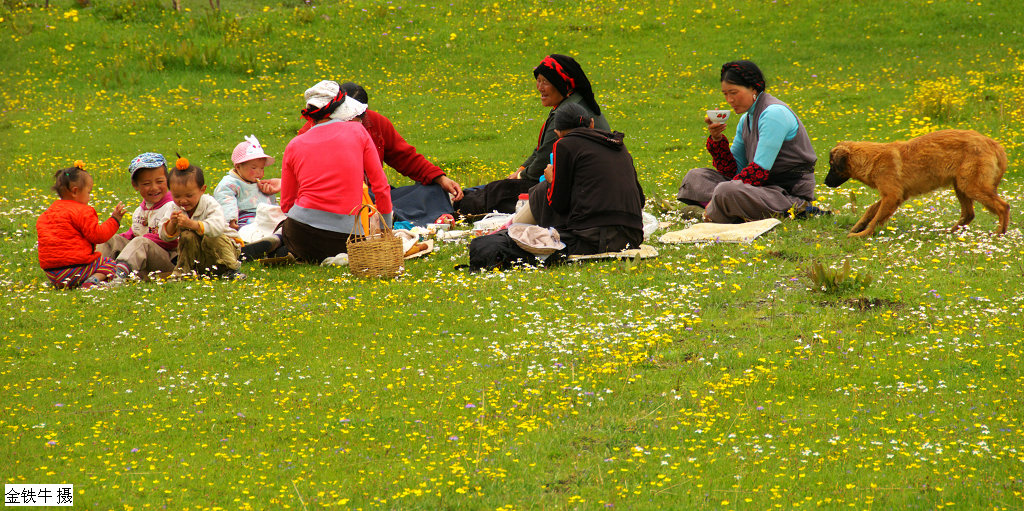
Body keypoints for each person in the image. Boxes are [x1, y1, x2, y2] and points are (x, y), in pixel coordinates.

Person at [469, 104, 644, 269]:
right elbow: (641, 200)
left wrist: (552, 181)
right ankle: (510, 227)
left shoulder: (564, 144)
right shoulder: (617, 144)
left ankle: (510, 228)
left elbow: (558, 204)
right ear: (591, 123)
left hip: (594, 239)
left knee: (542, 189)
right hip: (632, 236)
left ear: (557, 132)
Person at [455, 54, 610, 215]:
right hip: (583, 186)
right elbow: (542, 150)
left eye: (546, 82)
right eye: (538, 81)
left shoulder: (566, 113)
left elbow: (541, 164)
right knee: (499, 188)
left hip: (578, 189)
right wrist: (521, 170)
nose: (539, 87)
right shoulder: (571, 103)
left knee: (500, 191)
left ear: (561, 84)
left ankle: (462, 203)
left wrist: (521, 175)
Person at [676, 60, 817, 223]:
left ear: (753, 88)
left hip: (788, 195)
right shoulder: (746, 119)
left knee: (726, 190)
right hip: (758, 190)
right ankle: (725, 207)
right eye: (725, 94)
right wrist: (717, 139)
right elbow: (733, 171)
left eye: (733, 92)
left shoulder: (774, 114)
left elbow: (758, 171)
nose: (729, 100)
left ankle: (717, 208)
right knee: (695, 178)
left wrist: (722, 195)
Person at [280, 80, 393, 263]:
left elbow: (286, 205)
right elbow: (381, 186)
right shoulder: (358, 131)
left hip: (300, 233)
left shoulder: (294, 144)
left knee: (284, 230)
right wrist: (386, 229)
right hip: (346, 238)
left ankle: (278, 243)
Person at [297, 82, 463, 202]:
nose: (357, 122)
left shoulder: (376, 123)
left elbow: (404, 157)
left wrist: (440, 178)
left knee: (431, 191)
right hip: (335, 204)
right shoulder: (308, 135)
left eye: (360, 116)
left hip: (376, 196)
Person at [36, 161, 127, 289]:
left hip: (51, 273)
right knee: (109, 263)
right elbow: (98, 236)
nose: (89, 197)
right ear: (75, 191)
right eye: (89, 192)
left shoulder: (47, 213)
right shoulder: (82, 211)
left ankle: (63, 283)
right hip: (75, 270)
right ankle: (93, 281)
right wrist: (115, 219)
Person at [97, 152, 179, 277]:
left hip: (167, 258)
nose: (154, 187)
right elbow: (133, 233)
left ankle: (119, 275)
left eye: (159, 181)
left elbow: (173, 241)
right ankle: (92, 268)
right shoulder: (141, 210)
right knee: (112, 240)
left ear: (168, 181)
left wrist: (142, 239)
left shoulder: (173, 206)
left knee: (140, 242)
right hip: (141, 252)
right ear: (135, 185)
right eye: (146, 184)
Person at [159, 156, 242, 278]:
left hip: (225, 248)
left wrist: (192, 224)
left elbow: (217, 228)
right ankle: (184, 271)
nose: (183, 200)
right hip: (202, 253)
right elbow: (163, 236)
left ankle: (230, 269)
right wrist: (172, 224)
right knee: (187, 236)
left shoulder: (209, 203)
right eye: (176, 196)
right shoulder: (173, 207)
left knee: (210, 237)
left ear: (202, 190)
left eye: (189, 195)